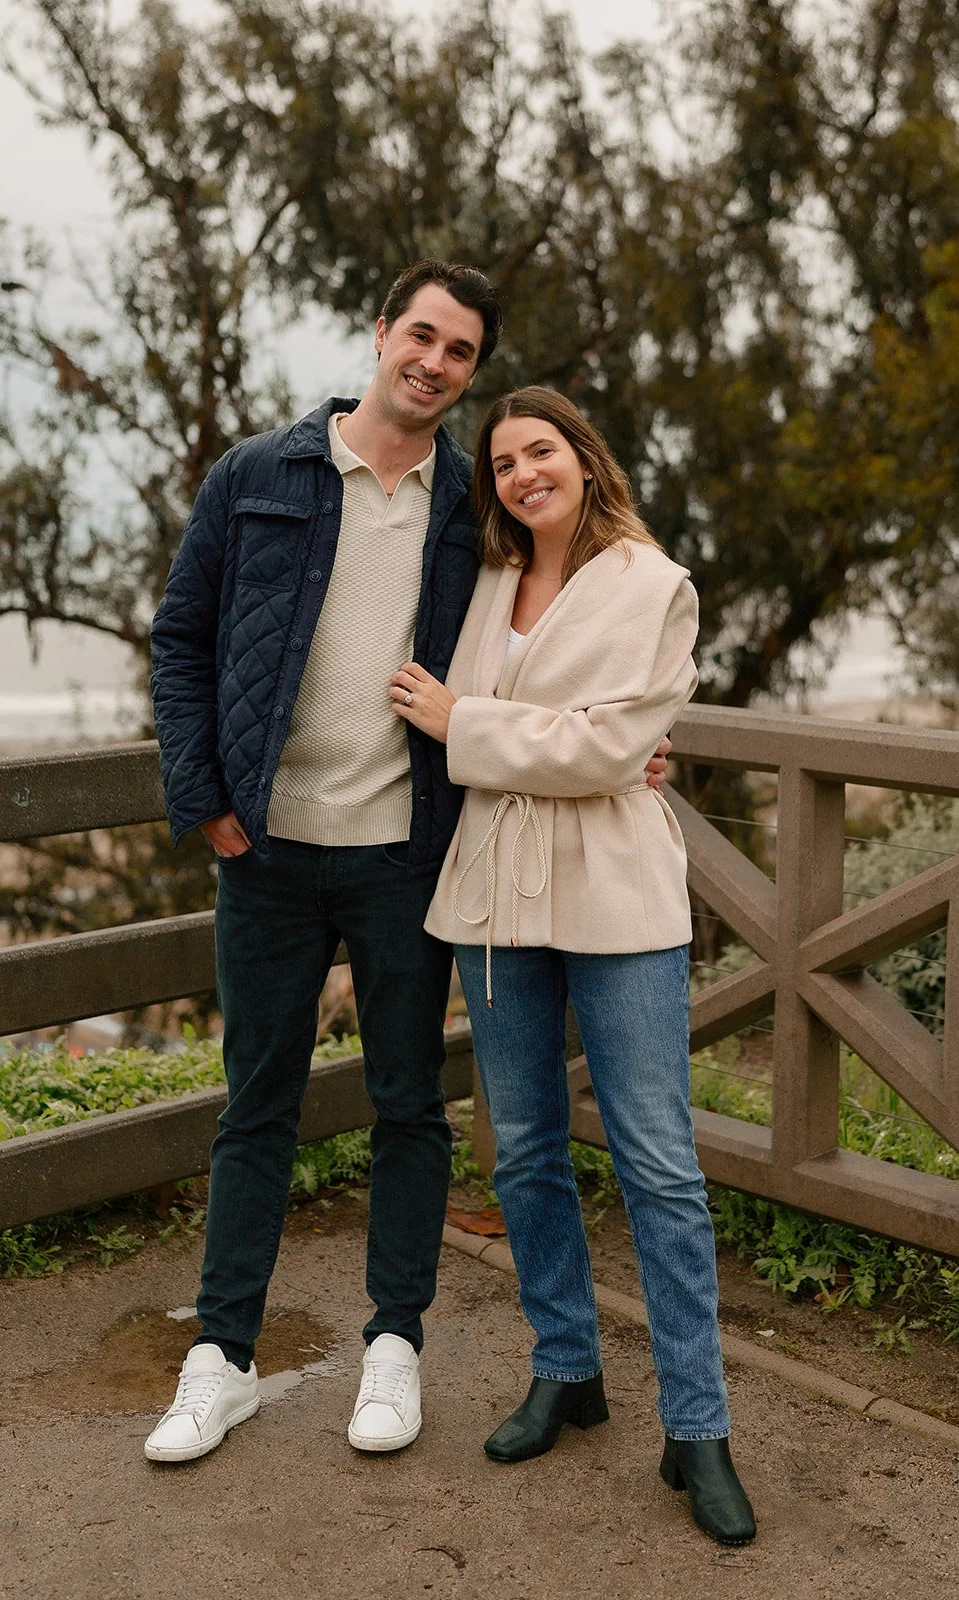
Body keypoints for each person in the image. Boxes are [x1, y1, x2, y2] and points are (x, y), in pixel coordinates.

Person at [146, 259, 502, 1462]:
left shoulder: (475, 506)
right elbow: (181, 636)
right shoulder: (257, 473)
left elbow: (551, 626)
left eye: (459, 351)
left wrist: (630, 735)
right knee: (256, 1105)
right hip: (267, 855)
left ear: (470, 372)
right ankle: (221, 1360)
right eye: (422, 335)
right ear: (381, 331)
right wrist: (205, 801)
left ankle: (393, 1347)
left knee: (408, 1103)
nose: (434, 362)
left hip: (403, 854)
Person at [389, 386, 756, 1546]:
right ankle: (565, 1367)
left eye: (538, 451)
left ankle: (696, 1426)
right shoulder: (486, 581)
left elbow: (607, 748)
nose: (521, 474)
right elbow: (573, 740)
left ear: (583, 458)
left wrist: (466, 723)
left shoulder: (653, 585)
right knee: (526, 1148)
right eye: (502, 462)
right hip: (494, 893)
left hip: (616, 896)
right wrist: (531, 737)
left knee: (657, 1164)